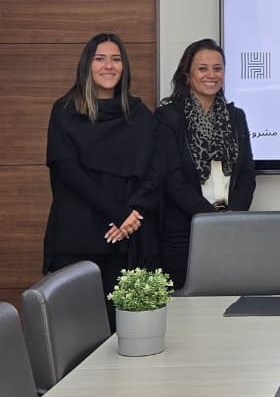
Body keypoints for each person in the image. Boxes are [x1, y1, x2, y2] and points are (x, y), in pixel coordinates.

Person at [43, 33, 158, 330]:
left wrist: (131, 215)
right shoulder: (65, 111)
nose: (109, 66)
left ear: (124, 67)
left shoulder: (140, 115)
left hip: (126, 239)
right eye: (100, 59)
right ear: (87, 65)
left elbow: (154, 172)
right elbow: (69, 173)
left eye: (116, 59)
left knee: (124, 332)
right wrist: (119, 215)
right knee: (77, 331)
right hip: (79, 236)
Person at [155, 38, 255, 289]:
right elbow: (171, 178)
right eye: (202, 68)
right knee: (185, 304)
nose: (211, 75)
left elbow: (247, 175)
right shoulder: (169, 116)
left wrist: (232, 217)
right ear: (187, 75)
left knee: (228, 299)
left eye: (217, 68)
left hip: (231, 228)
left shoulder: (236, 117)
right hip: (183, 231)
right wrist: (210, 218)